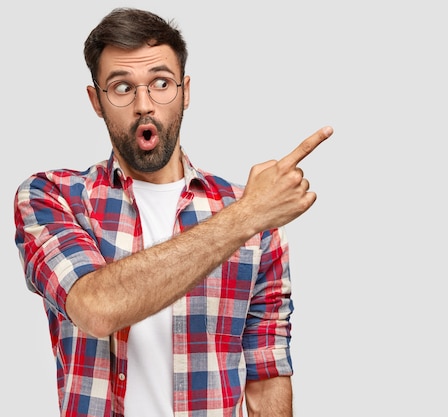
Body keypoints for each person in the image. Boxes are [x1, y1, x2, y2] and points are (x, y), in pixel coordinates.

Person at [13, 7, 332, 417]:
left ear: (185, 91)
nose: (144, 104)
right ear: (96, 100)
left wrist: (251, 214)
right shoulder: (52, 196)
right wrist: (247, 215)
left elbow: (266, 371)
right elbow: (96, 308)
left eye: (161, 83)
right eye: (122, 87)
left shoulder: (256, 220)